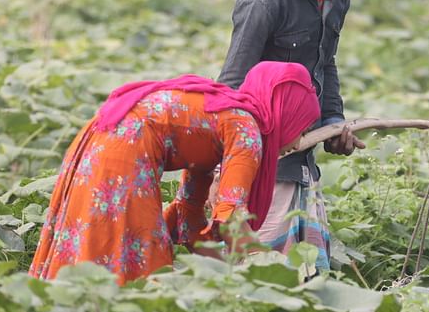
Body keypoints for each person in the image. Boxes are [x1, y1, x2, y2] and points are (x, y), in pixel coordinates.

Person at [29, 62, 320, 284]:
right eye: (301, 128)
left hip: (104, 135)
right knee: (134, 254)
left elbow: (189, 214)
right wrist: (264, 269)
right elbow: (231, 217)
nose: (298, 141)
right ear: (286, 113)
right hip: (126, 147)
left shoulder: (225, 115)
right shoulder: (246, 131)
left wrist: (220, 272)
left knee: (98, 237)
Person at [216, 0, 373, 272]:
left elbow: (325, 63)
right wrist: (245, 157)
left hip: (303, 157)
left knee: (305, 274)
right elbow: (232, 87)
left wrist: (333, 122)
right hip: (262, 162)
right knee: (257, 269)